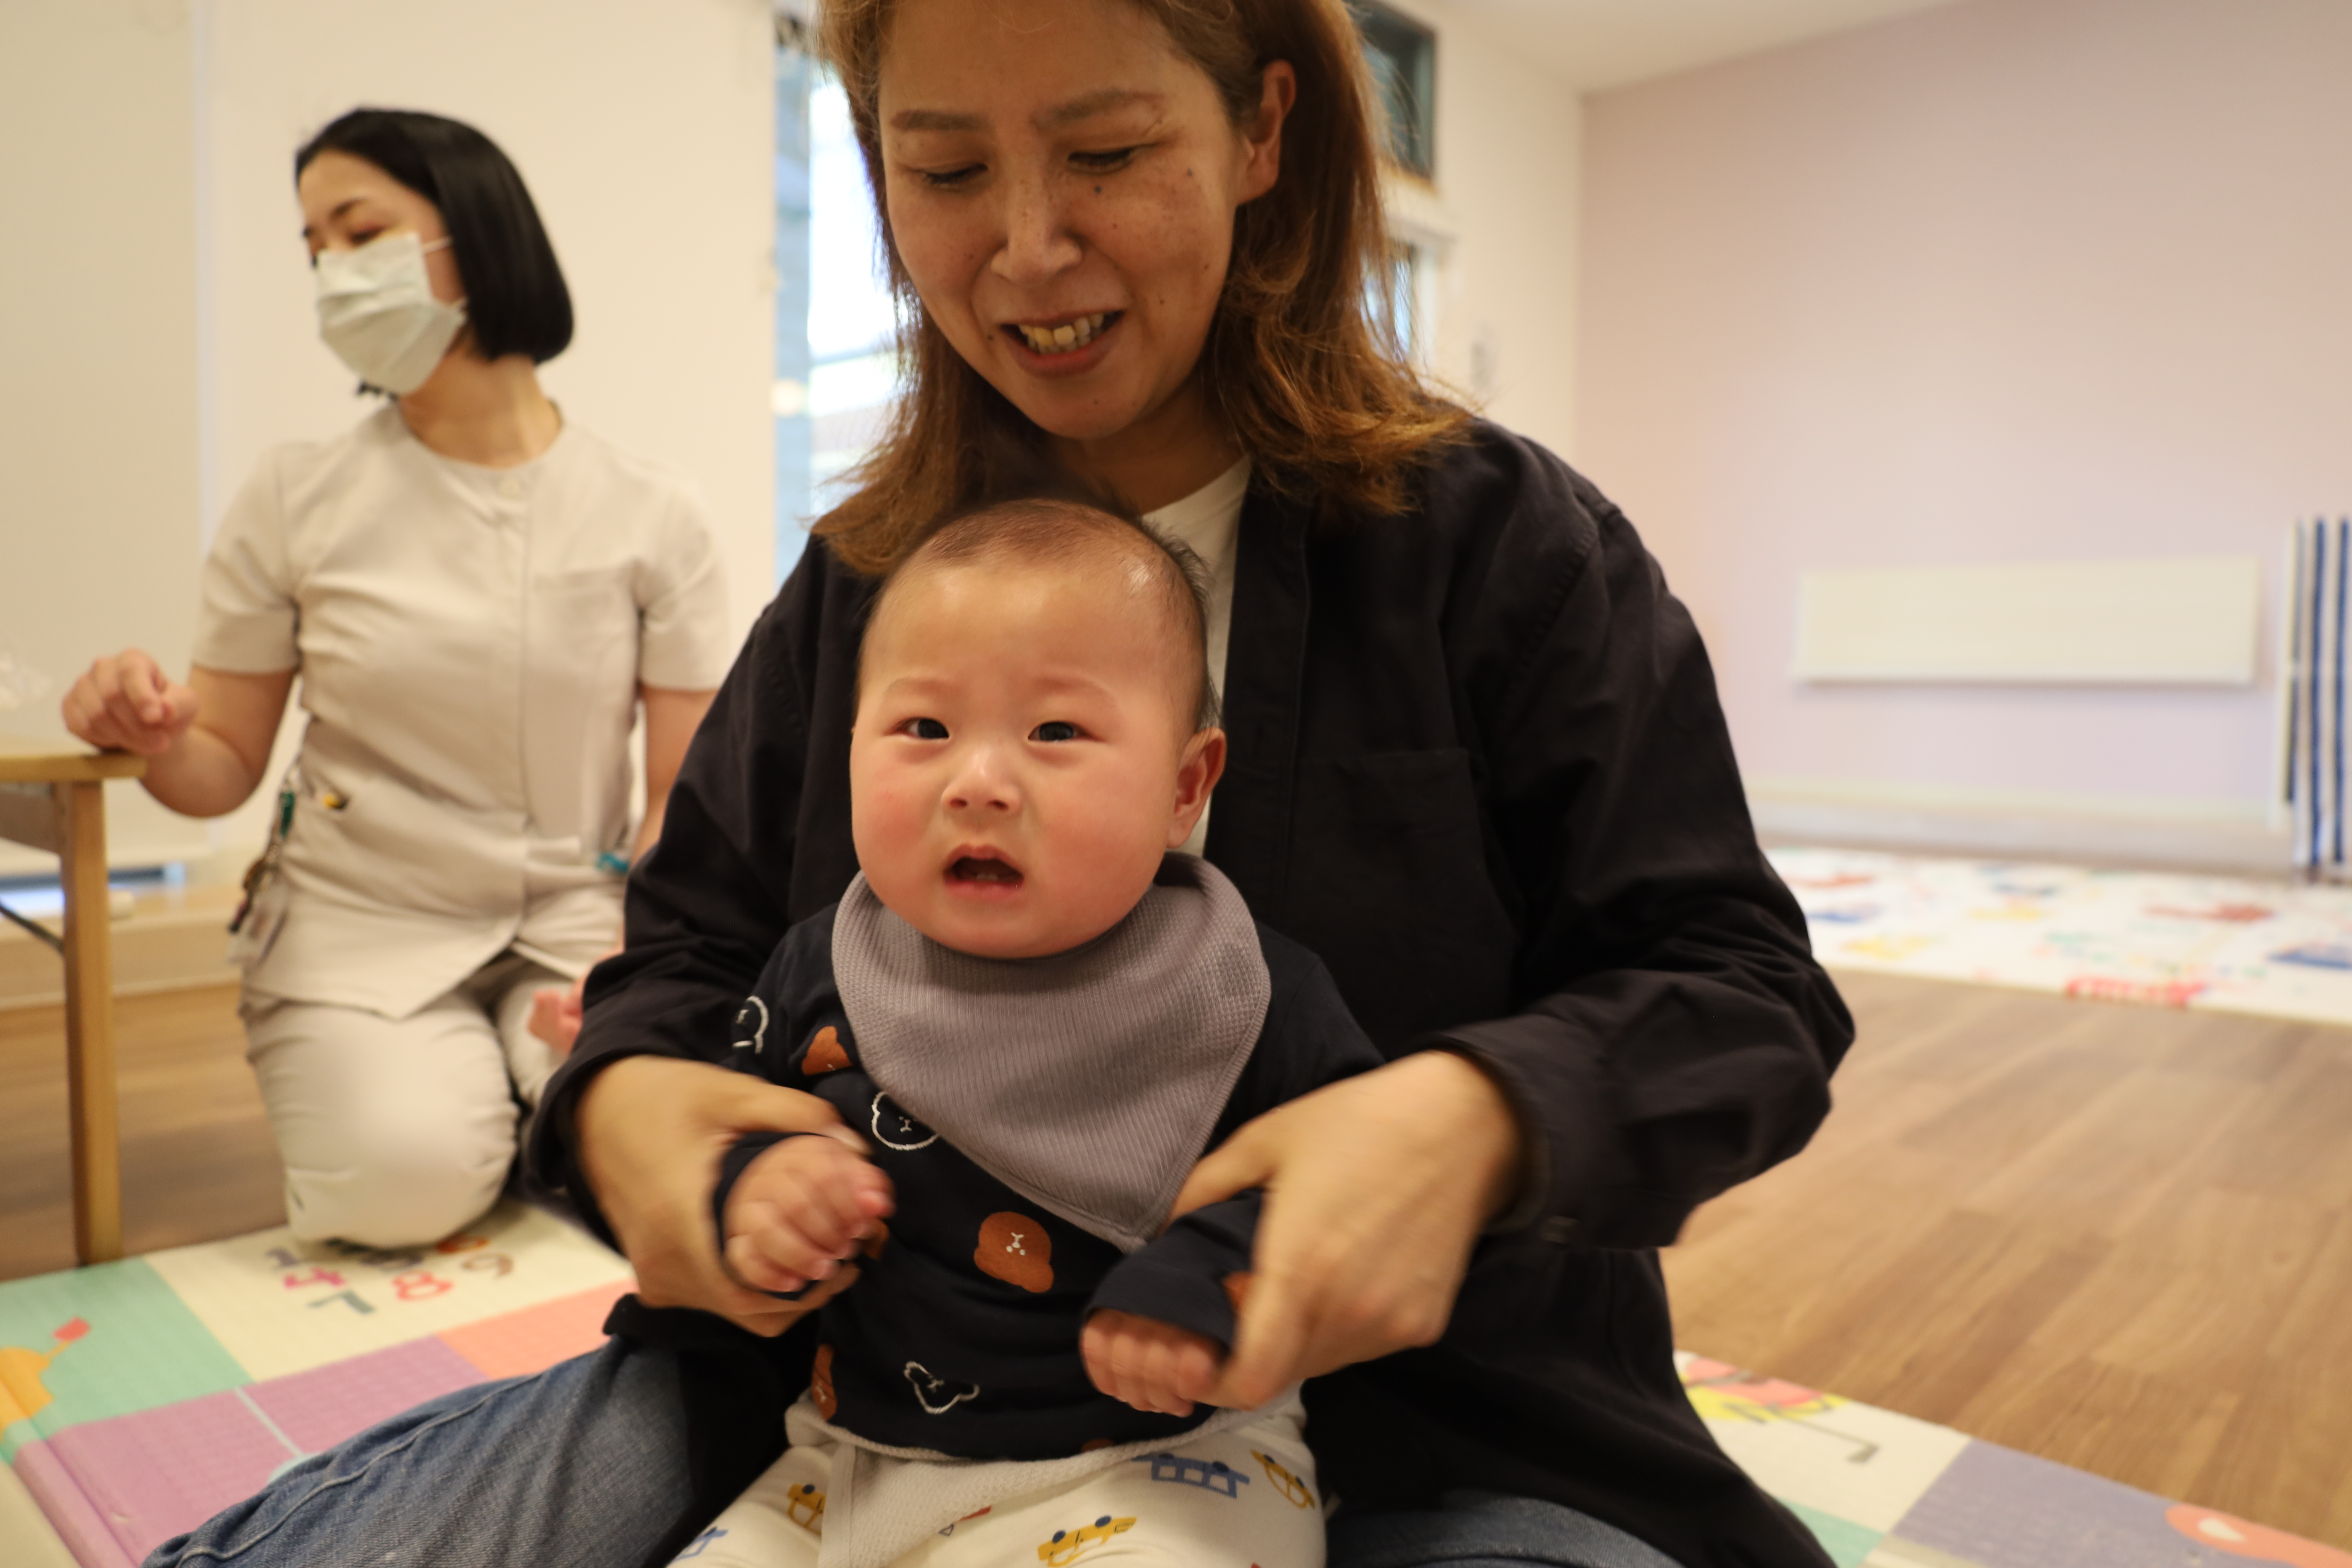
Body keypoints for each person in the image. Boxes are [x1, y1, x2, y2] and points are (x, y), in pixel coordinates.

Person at [145, 3, 1853, 1566]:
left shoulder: (1500, 549)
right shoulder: (862, 586)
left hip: (1441, 1436)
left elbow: (1737, 987)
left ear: (1263, 130)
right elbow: (680, 964)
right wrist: (632, 1112)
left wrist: (1480, 1123)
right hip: (838, 1406)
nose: (1029, 250)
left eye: (1107, 151)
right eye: (948, 171)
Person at [61, 108, 728, 1250]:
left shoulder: (654, 508)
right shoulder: (296, 495)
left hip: (577, 921)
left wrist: (639, 963)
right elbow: (219, 766)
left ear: (478, 233)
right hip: (357, 918)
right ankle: (499, 1103)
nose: (333, 270)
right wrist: (150, 731)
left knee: (662, 1150)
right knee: (401, 1186)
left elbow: (681, 792)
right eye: (314, 248)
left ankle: (529, 1086)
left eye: (360, 232)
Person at [693, 495, 1380, 1568]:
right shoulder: (824, 965)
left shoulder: (1239, 990)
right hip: (849, 1454)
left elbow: (1349, 1181)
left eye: (1056, 732)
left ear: (1186, 786)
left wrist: (1208, 1273)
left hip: (1170, 1460)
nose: (978, 785)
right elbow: (725, 1110)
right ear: (851, 749)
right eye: (925, 730)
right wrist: (756, 1185)